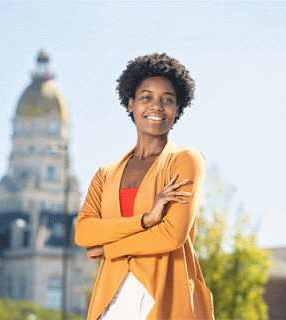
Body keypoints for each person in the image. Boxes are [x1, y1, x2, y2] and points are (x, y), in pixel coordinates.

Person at [75, 53, 214, 320]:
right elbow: (83, 232)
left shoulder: (185, 160)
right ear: (130, 104)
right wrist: (145, 220)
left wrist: (109, 249)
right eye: (146, 97)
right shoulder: (105, 174)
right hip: (111, 300)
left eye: (168, 99)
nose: (157, 106)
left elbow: (171, 235)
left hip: (163, 295)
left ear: (178, 108)